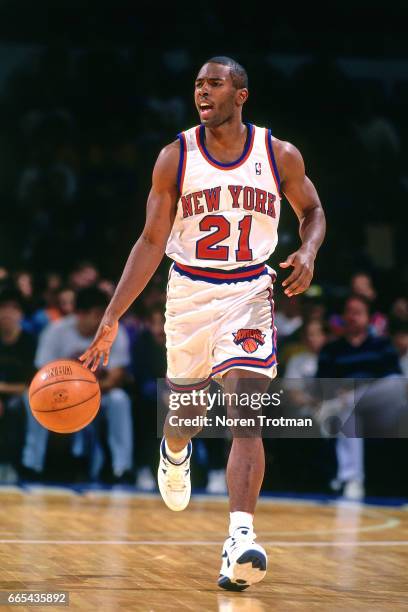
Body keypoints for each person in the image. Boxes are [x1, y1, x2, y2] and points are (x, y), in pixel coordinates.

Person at [80, 56, 325, 591]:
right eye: (198, 84)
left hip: (249, 291)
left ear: (241, 95)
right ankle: (173, 450)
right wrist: (112, 316)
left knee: (245, 408)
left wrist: (307, 251)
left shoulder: (278, 154)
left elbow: (313, 211)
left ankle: (240, 536)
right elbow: (150, 242)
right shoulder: (175, 157)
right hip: (189, 290)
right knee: (186, 412)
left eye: (214, 84)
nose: (202, 92)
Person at [22, 286, 133, 483]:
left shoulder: (114, 331)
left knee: (120, 399)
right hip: (58, 396)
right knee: (32, 397)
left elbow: (116, 377)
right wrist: (70, 391)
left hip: (99, 395)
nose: (103, 320)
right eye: (97, 314)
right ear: (80, 314)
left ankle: (121, 468)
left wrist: (84, 392)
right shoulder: (56, 331)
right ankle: (32, 464)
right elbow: (41, 374)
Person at [317, 295, 401, 500]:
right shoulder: (331, 350)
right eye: (350, 312)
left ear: (368, 317)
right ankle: (352, 480)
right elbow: (321, 384)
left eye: (358, 313)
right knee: (349, 411)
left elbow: (393, 378)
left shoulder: (381, 345)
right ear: (343, 315)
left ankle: (349, 399)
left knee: (397, 382)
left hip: (381, 406)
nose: (353, 317)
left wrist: (355, 390)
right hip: (347, 407)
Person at [0, 289, 36, 480]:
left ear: (21, 314)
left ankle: (15, 464)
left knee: (17, 406)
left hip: (22, 396)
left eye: (13, 308)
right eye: (2, 308)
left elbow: (31, 385)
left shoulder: (30, 342)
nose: (7, 313)